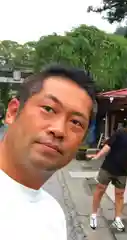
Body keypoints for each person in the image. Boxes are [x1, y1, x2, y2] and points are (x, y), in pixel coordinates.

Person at [0, 65, 96, 240]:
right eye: (49, 109)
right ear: (13, 112)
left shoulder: (54, 215)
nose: (59, 130)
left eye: (76, 122)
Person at [89, 115, 127, 232]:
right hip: (108, 167)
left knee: (119, 195)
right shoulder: (120, 132)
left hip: (122, 171)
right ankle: (94, 215)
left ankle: (117, 218)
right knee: (100, 190)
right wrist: (98, 156)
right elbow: (108, 145)